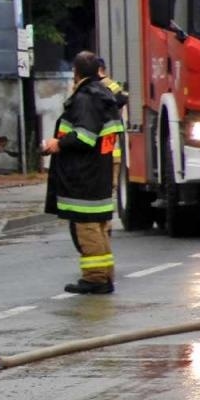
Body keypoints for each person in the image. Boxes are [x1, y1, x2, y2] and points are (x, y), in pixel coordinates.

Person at [45, 51, 123, 295]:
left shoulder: (86, 99)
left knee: (87, 227)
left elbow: (84, 136)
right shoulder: (104, 95)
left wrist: (57, 144)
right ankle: (104, 275)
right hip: (99, 170)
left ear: (76, 73)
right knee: (99, 226)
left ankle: (95, 278)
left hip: (84, 174)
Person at [97, 57, 129, 169]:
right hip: (111, 128)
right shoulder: (109, 83)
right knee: (114, 153)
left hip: (103, 128)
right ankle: (113, 183)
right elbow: (122, 97)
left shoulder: (104, 83)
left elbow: (121, 98)